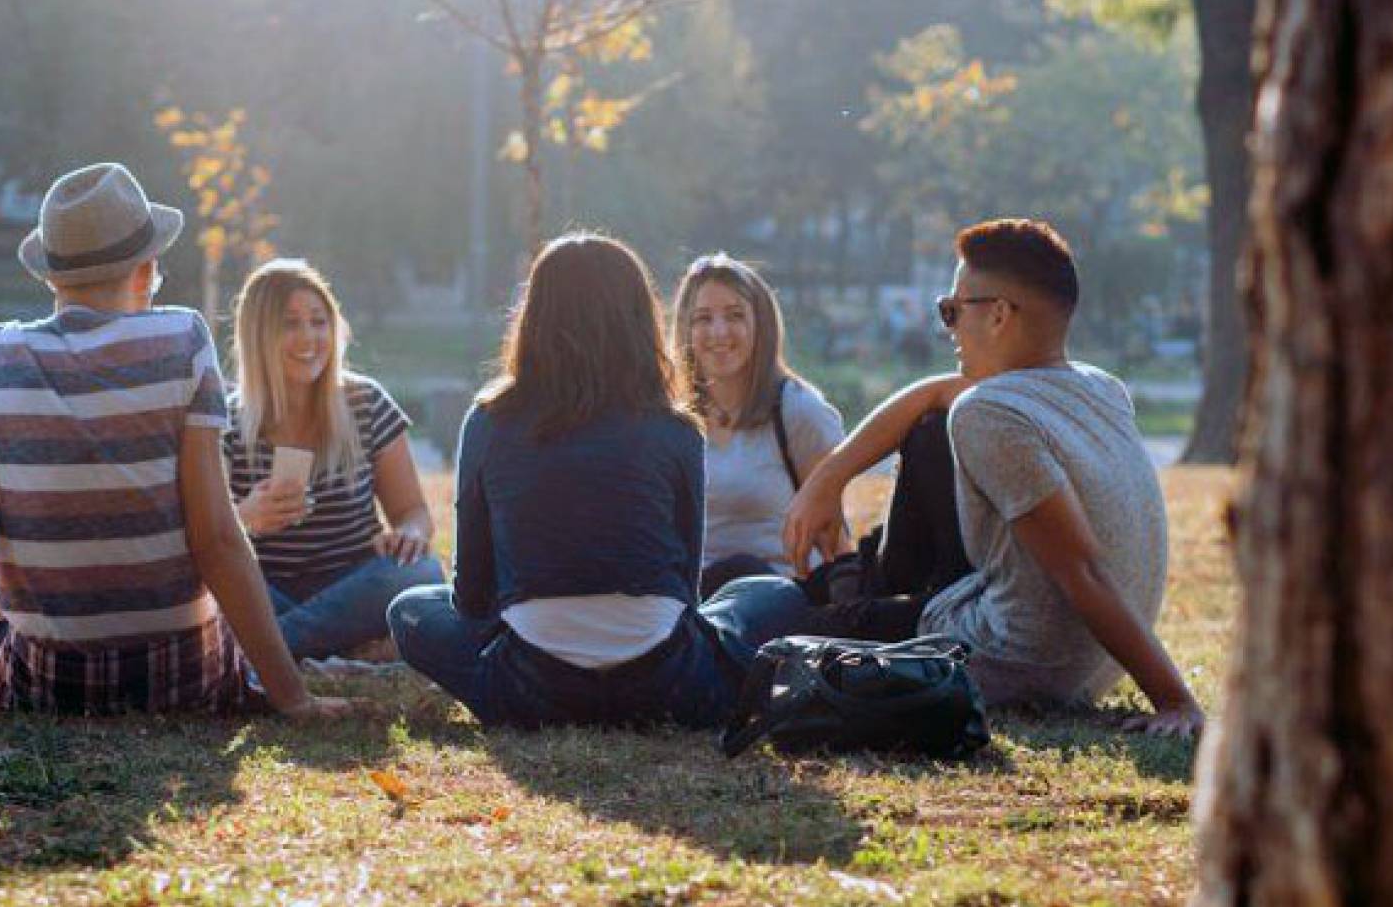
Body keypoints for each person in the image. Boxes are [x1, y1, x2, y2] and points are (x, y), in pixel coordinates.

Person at [0, 162, 347, 726]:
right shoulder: (183, 342)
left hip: (47, 683)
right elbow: (216, 538)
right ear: (148, 267)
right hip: (179, 675)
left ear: (50, 276)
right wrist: (293, 699)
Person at [703, 218, 1204, 738]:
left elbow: (1082, 569)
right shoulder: (1099, 387)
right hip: (1087, 665)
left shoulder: (990, 414)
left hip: (1013, 658)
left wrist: (1175, 700)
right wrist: (828, 478)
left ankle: (844, 598)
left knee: (759, 624)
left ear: (999, 316)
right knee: (925, 433)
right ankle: (856, 589)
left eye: (953, 310)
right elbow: (932, 395)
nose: (948, 328)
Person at [387, 232, 739, 729]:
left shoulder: (489, 419)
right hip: (668, 683)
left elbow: (471, 595)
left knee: (410, 611)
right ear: (640, 321)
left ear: (534, 317)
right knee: (768, 596)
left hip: (531, 685)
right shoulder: (676, 429)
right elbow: (687, 590)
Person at [224, 258, 443, 662]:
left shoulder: (367, 403)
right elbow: (209, 541)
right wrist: (245, 517)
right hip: (268, 589)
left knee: (422, 572)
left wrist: (409, 534)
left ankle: (269, 650)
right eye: (290, 324)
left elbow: (413, 511)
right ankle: (341, 645)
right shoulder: (225, 423)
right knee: (216, 589)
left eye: (319, 321)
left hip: (356, 583)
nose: (309, 337)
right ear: (258, 334)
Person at [669, 253, 844, 596]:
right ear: (686, 331)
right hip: (695, 601)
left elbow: (836, 542)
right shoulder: (673, 421)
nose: (718, 332)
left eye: (735, 316)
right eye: (703, 318)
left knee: (744, 573)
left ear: (760, 324)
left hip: (779, 600)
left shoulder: (799, 411)